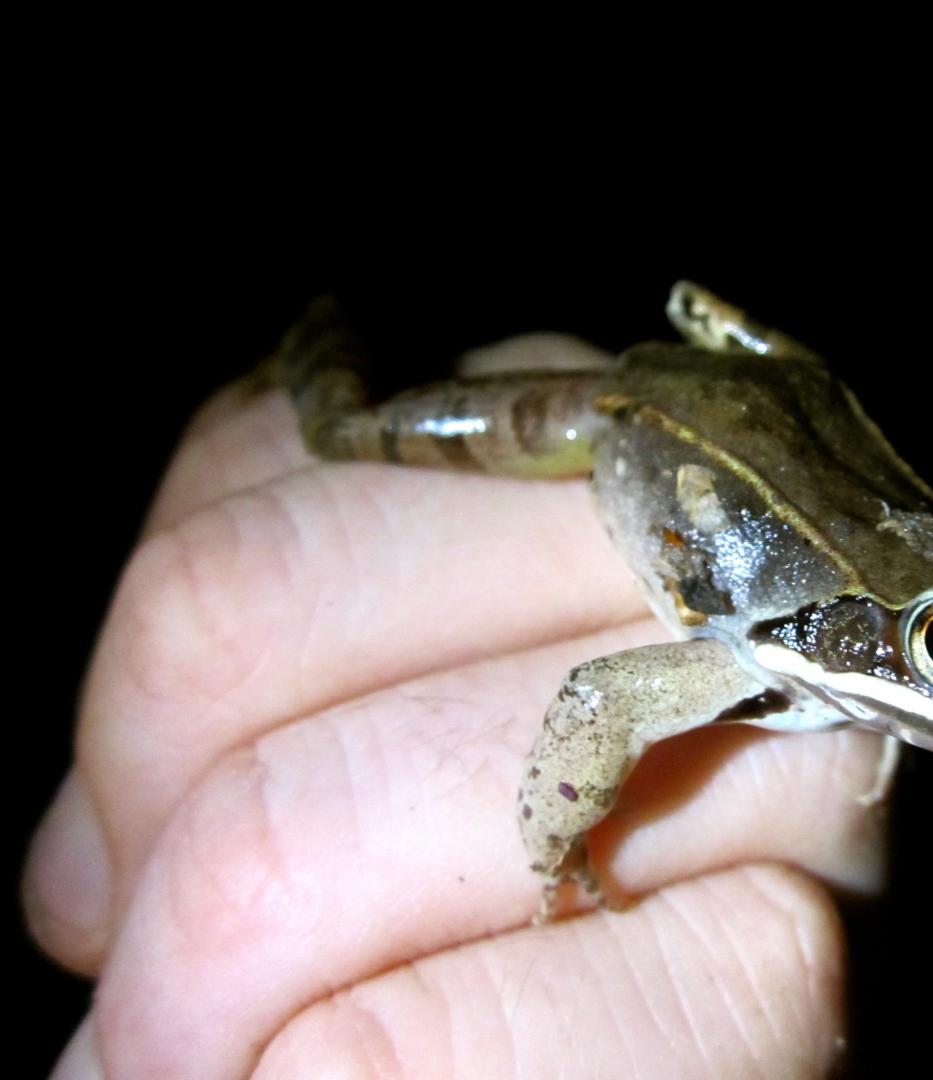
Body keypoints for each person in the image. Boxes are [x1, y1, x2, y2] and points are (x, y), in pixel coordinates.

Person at [24, 331, 888, 1077]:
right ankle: (310, 327)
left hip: (755, 397)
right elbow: (599, 695)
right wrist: (552, 839)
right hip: (615, 415)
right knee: (337, 431)